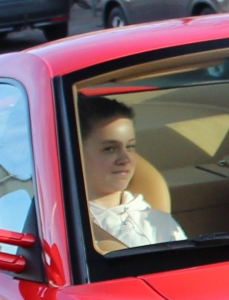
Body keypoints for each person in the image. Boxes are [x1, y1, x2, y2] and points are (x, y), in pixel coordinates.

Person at [77, 96, 187, 250]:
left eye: (130, 147)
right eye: (110, 148)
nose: (125, 159)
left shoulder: (158, 224)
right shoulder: (61, 226)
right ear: (76, 153)